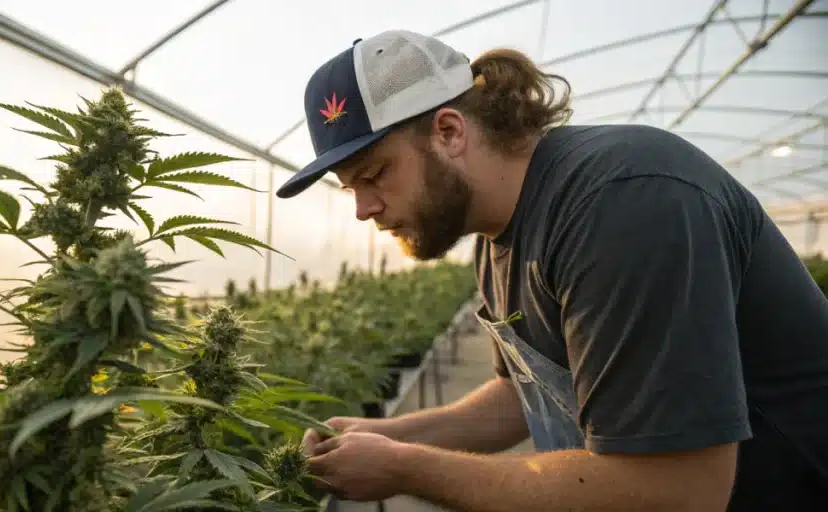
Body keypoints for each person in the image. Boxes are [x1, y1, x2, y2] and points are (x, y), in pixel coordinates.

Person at [277, 29, 828, 511]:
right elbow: (522, 396)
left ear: (448, 132)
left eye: (375, 174)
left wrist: (405, 468)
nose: (363, 208)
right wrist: (389, 433)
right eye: (351, 188)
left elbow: (677, 492)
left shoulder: (622, 204)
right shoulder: (495, 241)